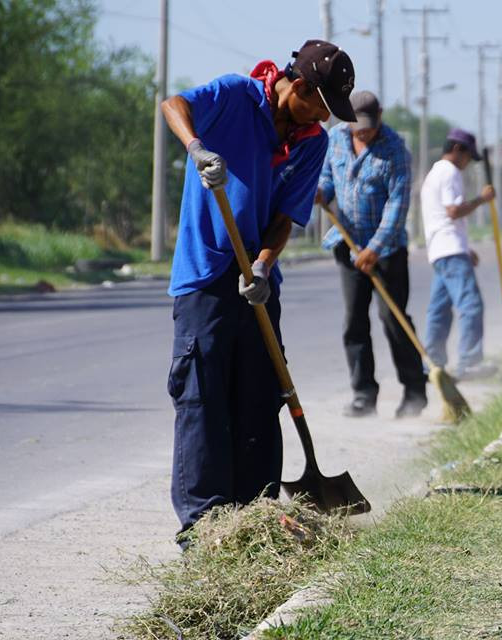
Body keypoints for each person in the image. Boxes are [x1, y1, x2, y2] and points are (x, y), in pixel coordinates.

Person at [160, 40, 357, 544]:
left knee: (259, 396)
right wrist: (196, 146)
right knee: (203, 398)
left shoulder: (312, 141)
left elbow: (286, 217)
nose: (325, 118)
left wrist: (265, 268)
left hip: (257, 285)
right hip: (205, 275)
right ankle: (203, 526)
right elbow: (174, 105)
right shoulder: (234, 95)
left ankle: (257, 517)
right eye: (321, 106)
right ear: (301, 86)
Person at [316, 91, 427, 418]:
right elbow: (326, 178)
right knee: (354, 322)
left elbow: (397, 206)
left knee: (393, 319)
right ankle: (364, 394)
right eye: (356, 127)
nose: (361, 133)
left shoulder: (395, 150)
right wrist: (321, 192)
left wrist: (374, 249)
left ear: (380, 115)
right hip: (347, 243)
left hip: (387, 250)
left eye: (367, 126)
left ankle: (414, 392)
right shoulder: (335, 139)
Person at [421, 128, 497, 380]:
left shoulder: (433, 173)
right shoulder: (449, 172)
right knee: (471, 306)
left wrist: (465, 248)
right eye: (467, 157)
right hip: (450, 249)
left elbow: (443, 217)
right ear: (457, 150)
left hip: (441, 250)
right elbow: (453, 212)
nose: (467, 164)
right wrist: (481, 199)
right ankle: (470, 363)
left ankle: (432, 365)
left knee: (439, 310)